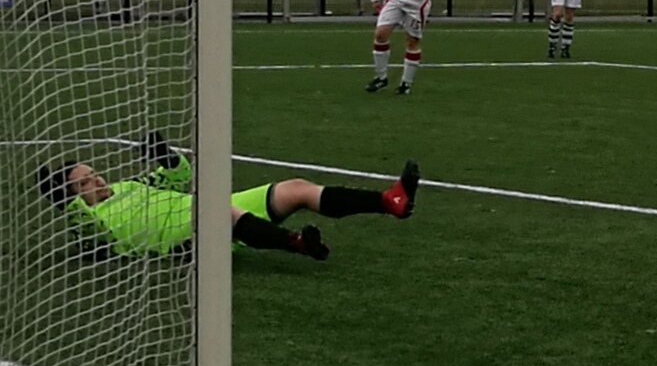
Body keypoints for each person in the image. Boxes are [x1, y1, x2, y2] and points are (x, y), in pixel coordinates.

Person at [37, 131, 418, 262]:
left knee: (294, 188)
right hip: (184, 238)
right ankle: (296, 243)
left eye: (92, 173)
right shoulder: (93, 223)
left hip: (206, 207)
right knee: (218, 212)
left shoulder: (129, 186)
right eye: (84, 183)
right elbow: (79, 222)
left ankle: (390, 202)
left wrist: (164, 155)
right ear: (71, 197)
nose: (96, 179)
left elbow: (178, 176)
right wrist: (60, 195)